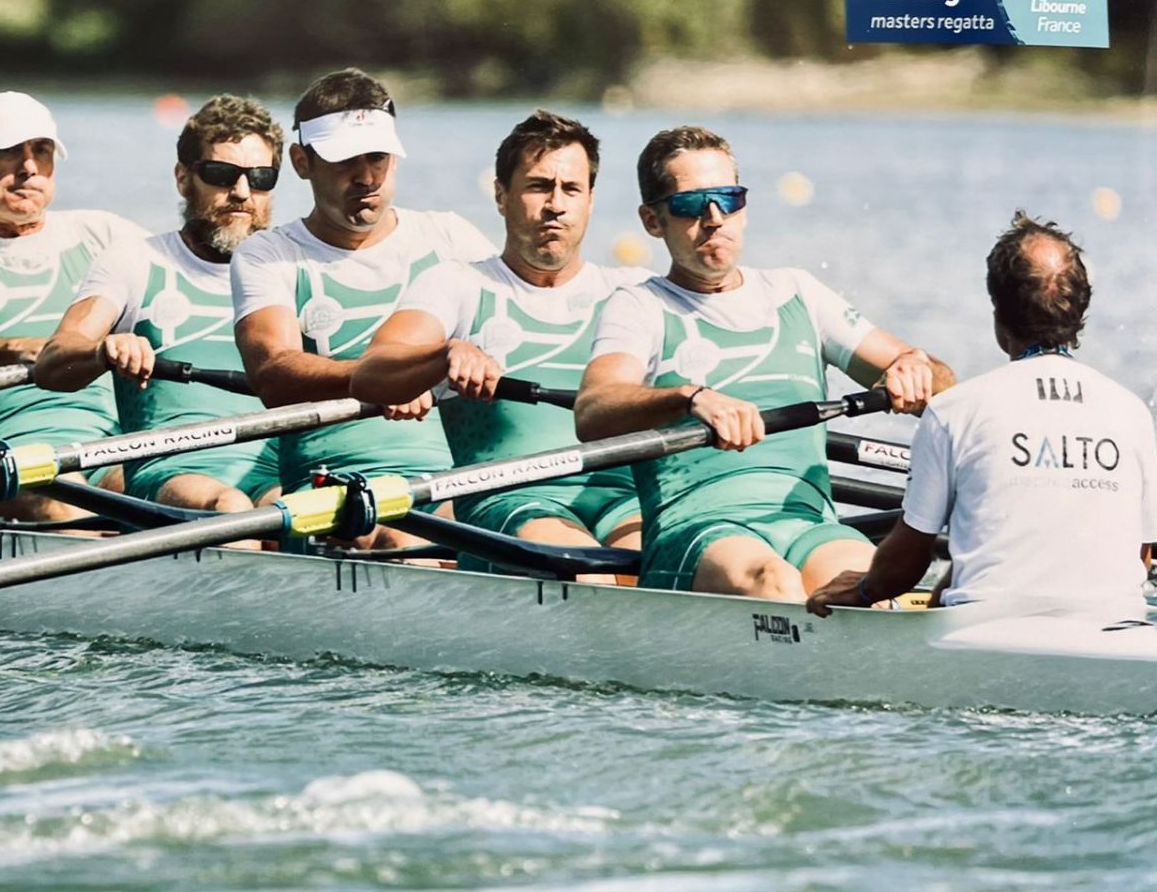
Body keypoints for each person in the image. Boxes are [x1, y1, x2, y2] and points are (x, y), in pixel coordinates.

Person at [576, 125, 954, 598]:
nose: (715, 219)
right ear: (653, 221)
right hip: (698, 530)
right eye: (691, 205)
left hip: (808, 526)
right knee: (772, 582)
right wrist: (691, 398)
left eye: (728, 199)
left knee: (868, 580)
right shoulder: (639, 307)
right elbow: (593, 410)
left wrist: (914, 367)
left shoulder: (798, 293)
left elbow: (944, 389)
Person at [810, 213, 1157, 619]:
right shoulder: (1131, 412)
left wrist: (865, 589)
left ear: (998, 313)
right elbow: (1141, 556)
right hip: (1114, 626)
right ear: (1080, 310)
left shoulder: (955, 411)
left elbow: (906, 562)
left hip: (986, 629)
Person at [352, 110, 651, 574]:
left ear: (590, 200)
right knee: (594, 570)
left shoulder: (633, 292)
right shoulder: (456, 284)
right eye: (539, 186)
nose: (556, 204)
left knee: (656, 563)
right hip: (507, 498)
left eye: (571, 189)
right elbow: (373, 372)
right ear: (500, 195)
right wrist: (444, 355)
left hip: (623, 498)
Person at [230, 68, 495, 549]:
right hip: (332, 487)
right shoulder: (269, 255)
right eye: (345, 160)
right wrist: (388, 378)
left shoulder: (450, 238)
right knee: (405, 542)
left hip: (449, 479)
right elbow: (272, 373)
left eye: (378, 157)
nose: (367, 176)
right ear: (301, 162)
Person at [0, 91, 149, 522]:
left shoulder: (104, 234)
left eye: (42, 151)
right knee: (69, 503)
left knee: (168, 497)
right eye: (9, 151)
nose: (29, 167)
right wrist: (26, 348)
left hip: (106, 444)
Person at [35, 94, 284, 512]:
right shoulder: (135, 260)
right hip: (171, 470)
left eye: (260, 177)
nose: (242, 192)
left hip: (274, 473)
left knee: (299, 510)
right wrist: (103, 350)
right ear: (183, 178)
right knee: (231, 507)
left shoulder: (289, 270)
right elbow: (54, 360)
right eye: (221, 174)